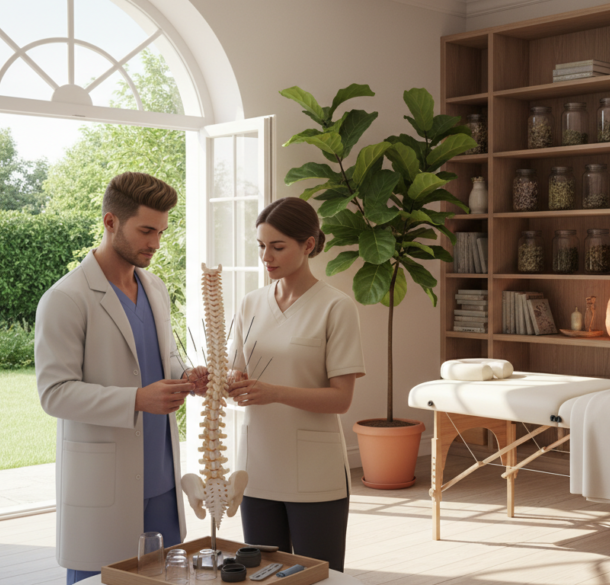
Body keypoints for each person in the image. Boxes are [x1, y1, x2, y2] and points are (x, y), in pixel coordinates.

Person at [35, 172, 207, 584]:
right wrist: (136, 400)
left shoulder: (155, 288)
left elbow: (165, 356)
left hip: (161, 476)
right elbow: (54, 394)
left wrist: (187, 376)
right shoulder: (65, 298)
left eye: (162, 231)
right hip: (103, 483)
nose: (156, 243)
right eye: (146, 230)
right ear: (111, 222)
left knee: (162, 577)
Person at [226, 197, 365, 572]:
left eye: (277, 246)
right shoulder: (249, 304)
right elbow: (235, 372)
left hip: (315, 473)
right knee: (261, 574)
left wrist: (273, 393)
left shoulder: (336, 308)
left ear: (307, 245)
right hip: (256, 468)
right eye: (261, 246)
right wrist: (222, 382)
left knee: (318, 576)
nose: (265, 256)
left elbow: (341, 398)